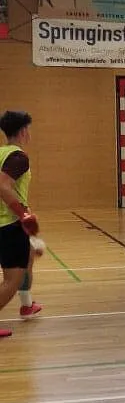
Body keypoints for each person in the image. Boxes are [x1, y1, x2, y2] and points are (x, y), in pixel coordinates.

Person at [0, 111, 41, 340]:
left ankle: (27, 305)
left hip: (9, 223)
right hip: (8, 224)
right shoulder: (18, 158)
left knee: (29, 255)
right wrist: (22, 214)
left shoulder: (2, 153)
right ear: (24, 131)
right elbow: (3, 186)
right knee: (11, 281)